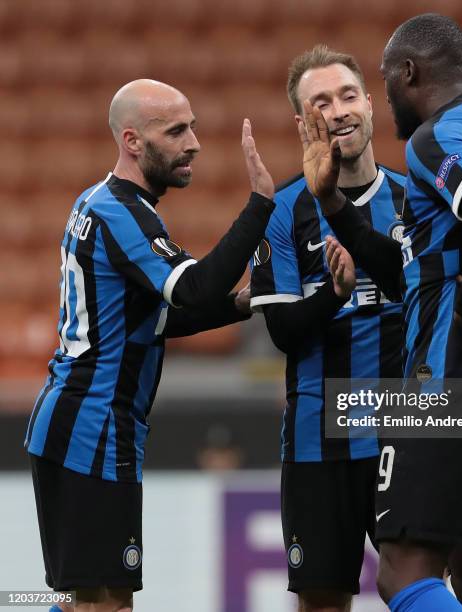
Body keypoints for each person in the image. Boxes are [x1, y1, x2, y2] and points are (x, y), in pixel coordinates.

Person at [296, 15, 462, 612]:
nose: (385, 100)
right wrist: (333, 202)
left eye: (386, 84)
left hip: (454, 382)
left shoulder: (434, 138)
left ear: (409, 73)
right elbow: (407, 271)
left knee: (403, 575)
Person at [24, 79, 276, 612]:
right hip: (92, 428)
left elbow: (157, 318)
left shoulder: (98, 201)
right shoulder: (121, 212)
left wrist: (243, 303)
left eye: (194, 127)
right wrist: (259, 207)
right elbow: (192, 289)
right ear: (133, 141)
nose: (195, 143)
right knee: (106, 603)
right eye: (177, 130)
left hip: (77, 424)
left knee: (87, 600)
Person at [250, 46, 405, 612]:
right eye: (321, 103)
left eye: (347, 96)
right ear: (302, 123)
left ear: (369, 102)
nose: (338, 111)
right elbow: (284, 331)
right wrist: (332, 297)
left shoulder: (415, 199)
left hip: (407, 430)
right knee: (322, 602)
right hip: (321, 440)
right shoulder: (284, 209)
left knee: (417, 587)